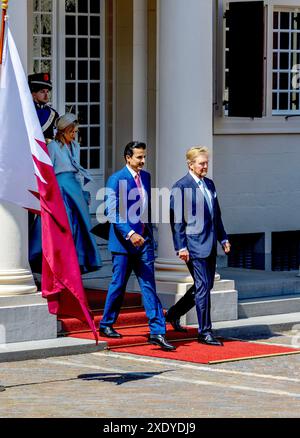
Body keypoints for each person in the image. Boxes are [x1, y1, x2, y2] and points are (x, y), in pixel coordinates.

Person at [99, 141, 176, 351]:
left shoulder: (146, 177)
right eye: (139, 157)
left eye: (144, 157)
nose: (142, 161)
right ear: (128, 158)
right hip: (123, 243)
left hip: (144, 242)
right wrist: (130, 233)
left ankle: (157, 332)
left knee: (149, 286)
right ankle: (106, 324)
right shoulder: (116, 179)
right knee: (118, 285)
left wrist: (147, 232)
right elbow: (112, 211)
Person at [168, 146, 231, 346]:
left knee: (205, 285)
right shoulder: (180, 186)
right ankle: (205, 332)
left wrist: (223, 238)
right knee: (203, 286)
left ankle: (173, 314)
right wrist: (181, 247)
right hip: (193, 245)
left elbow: (216, 215)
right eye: (202, 163)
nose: (205, 166)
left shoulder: (210, 185)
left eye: (206, 163)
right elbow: (176, 220)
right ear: (191, 164)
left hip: (210, 243)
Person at [29, 113, 102, 274]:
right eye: (72, 132)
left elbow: (76, 170)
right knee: (64, 225)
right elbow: (47, 172)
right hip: (60, 189)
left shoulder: (75, 146)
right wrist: (49, 194)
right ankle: (59, 262)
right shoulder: (53, 147)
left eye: (75, 132)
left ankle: (79, 261)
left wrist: (82, 192)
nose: (74, 135)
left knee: (80, 225)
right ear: (63, 131)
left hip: (74, 188)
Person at [28, 72, 59, 143]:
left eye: (47, 92)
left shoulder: (53, 114)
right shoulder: (27, 112)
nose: (46, 95)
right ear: (33, 94)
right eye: (42, 92)